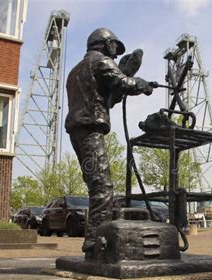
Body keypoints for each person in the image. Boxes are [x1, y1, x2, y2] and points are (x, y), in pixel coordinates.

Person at [65, 28, 155, 260]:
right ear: (105, 44)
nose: (115, 52)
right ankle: (95, 245)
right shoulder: (100, 61)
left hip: (77, 129)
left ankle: (97, 242)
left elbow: (104, 96)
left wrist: (124, 81)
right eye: (114, 46)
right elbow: (122, 82)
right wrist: (140, 83)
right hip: (90, 129)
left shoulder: (76, 70)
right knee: (103, 189)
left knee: (96, 185)